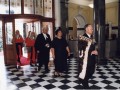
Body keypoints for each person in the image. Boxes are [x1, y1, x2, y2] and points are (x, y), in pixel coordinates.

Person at [78, 24, 98, 89]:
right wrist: (90, 52)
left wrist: (96, 50)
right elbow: (81, 47)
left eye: (92, 28)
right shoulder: (82, 37)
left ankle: (82, 79)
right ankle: (86, 85)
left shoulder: (92, 37)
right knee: (85, 72)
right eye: (91, 28)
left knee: (91, 71)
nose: (92, 29)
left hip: (92, 58)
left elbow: (96, 46)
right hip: (85, 59)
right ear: (86, 29)